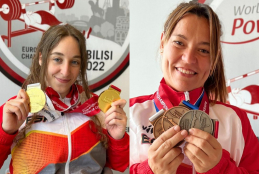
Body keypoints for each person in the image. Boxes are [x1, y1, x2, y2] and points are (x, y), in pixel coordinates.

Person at [130, 1, 259, 174]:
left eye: (204, 50)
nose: (189, 58)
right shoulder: (129, 114)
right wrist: (148, 171)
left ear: (214, 59)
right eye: (179, 43)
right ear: (163, 43)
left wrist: (220, 169)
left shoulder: (236, 121)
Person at [0, 24, 129, 174]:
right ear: (42, 58)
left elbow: (119, 164)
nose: (66, 71)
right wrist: (6, 131)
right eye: (57, 59)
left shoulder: (94, 106)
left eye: (74, 62)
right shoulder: (16, 109)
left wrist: (118, 137)